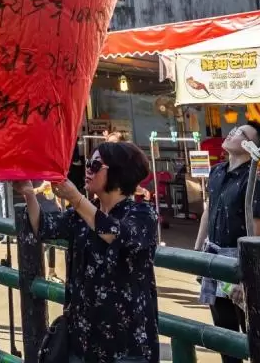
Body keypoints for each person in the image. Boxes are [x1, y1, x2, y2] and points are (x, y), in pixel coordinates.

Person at [19, 142, 160, 363]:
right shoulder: (81, 214)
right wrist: (28, 194)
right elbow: (44, 227)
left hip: (126, 343)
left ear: (118, 172)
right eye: (87, 164)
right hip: (82, 339)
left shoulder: (142, 213)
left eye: (95, 165)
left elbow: (115, 234)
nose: (87, 170)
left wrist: (76, 199)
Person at [194, 121, 260, 363]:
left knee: (251, 329)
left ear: (251, 146)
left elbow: (256, 232)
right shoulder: (217, 171)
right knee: (223, 328)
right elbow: (209, 210)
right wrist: (197, 252)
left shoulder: (254, 184)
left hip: (238, 258)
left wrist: (246, 273)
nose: (232, 133)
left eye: (241, 133)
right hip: (213, 255)